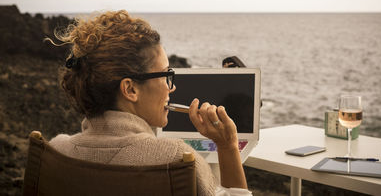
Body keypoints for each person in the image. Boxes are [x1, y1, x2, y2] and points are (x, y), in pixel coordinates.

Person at [48, 10, 252, 195]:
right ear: (130, 89)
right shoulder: (176, 158)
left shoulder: (56, 150)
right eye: (165, 75)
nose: (171, 87)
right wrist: (228, 147)